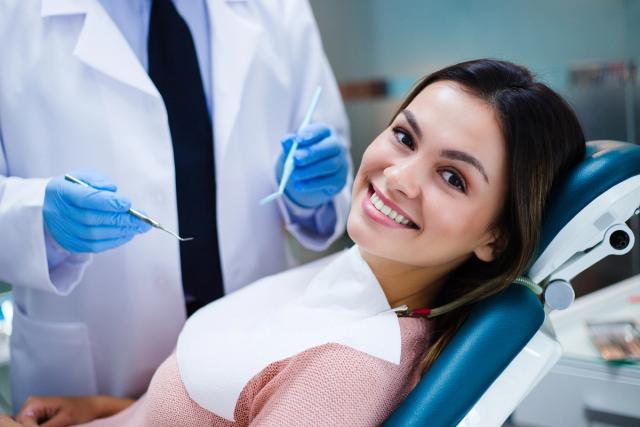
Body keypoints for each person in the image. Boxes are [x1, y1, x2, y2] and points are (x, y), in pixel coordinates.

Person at [3, 59, 586, 427]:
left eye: (453, 177)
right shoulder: (350, 280)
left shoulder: (348, 371)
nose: (400, 176)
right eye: (405, 137)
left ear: (496, 236)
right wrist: (111, 412)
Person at [0, 0, 351, 412]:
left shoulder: (278, 10)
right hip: (92, 370)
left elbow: (326, 143)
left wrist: (310, 194)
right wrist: (38, 219)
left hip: (255, 345)